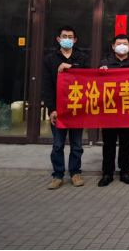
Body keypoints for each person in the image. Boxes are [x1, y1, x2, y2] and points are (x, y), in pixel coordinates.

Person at [42, 25, 89, 190]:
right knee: (58, 145)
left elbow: (88, 78)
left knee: (77, 145)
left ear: (75, 40)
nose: (67, 39)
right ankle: (58, 175)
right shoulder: (49, 59)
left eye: (70, 37)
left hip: (77, 108)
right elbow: (47, 86)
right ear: (58, 39)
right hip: (59, 110)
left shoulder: (82, 57)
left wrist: (71, 68)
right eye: (64, 36)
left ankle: (75, 173)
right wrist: (52, 109)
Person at [97, 34, 129, 187]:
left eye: (125, 43)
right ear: (113, 46)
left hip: (128, 110)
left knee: (126, 143)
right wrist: (100, 72)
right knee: (108, 143)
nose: (122, 46)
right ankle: (107, 173)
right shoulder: (105, 64)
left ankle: (125, 172)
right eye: (119, 43)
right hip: (110, 110)